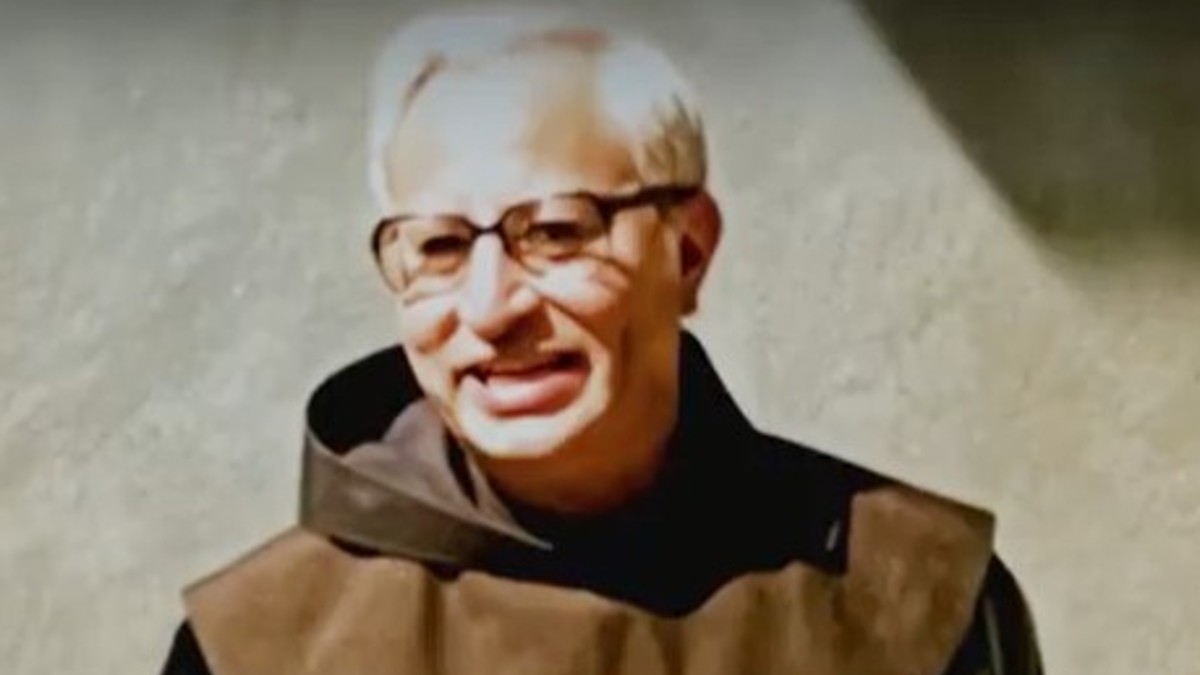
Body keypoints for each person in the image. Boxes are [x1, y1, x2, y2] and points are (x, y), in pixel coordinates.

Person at [160, 7, 1042, 675]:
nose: (491, 305)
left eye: (554, 231)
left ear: (688, 248)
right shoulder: (262, 644)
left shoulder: (908, 597)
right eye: (437, 246)